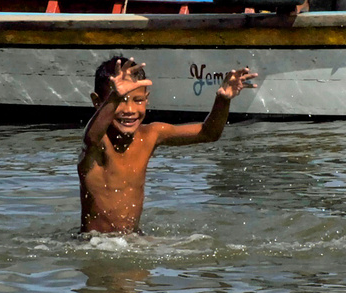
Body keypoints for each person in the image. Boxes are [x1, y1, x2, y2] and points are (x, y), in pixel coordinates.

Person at [79, 56, 257, 234]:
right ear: (97, 102)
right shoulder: (99, 143)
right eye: (120, 101)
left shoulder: (151, 135)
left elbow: (208, 133)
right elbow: (91, 137)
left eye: (138, 100)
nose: (130, 110)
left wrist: (223, 99)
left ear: (147, 99)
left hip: (133, 239)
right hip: (94, 243)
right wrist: (114, 98)